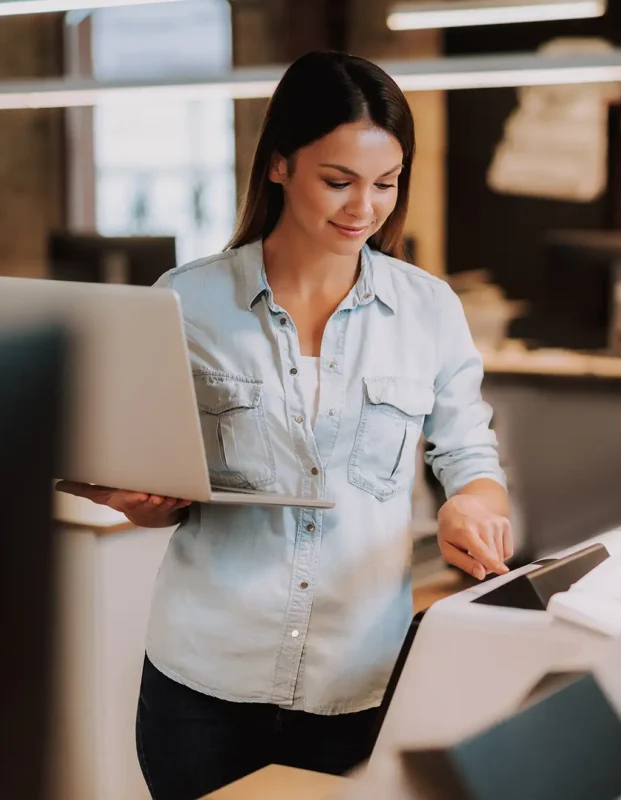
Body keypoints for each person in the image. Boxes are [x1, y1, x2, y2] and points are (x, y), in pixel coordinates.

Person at [58, 51, 511, 799]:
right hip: (201, 687)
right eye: (338, 181)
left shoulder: (429, 311)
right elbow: (136, 465)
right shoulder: (185, 302)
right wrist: (135, 503)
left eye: (385, 184)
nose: (364, 208)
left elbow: (471, 457)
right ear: (278, 166)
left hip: (356, 686)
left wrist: (475, 503)